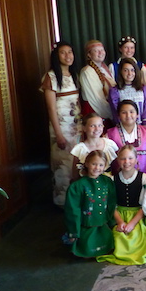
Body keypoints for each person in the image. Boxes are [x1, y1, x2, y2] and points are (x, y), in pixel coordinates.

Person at [96, 145, 146, 265]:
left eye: (130, 158)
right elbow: (110, 204)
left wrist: (132, 224)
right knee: (118, 236)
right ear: (118, 160)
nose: (126, 162)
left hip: (138, 215)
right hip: (118, 214)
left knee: (135, 237)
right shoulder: (112, 180)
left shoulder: (145, 179)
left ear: (136, 159)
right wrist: (120, 222)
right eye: (123, 159)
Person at [40, 40, 81, 206]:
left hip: (77, 127)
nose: (67, 56)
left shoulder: (74, 75)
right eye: (63, 53)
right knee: (62, 166)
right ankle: (61, 202)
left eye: (70, 52)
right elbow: (51, 108)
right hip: (61, 128)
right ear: (56, 56)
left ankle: (76, 202)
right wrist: (58, 134)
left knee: (75, 164)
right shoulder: (50, 77)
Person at [64, 150, 116, 258]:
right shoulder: (77, 186)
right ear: (87, 164)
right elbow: (73, 210)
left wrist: (112, 223)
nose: (97, 168)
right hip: (86, 226)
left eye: (101, 165)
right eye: (94, 164)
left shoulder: (107, 182)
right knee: (85, 247)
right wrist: (74, 232)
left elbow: (111, 203)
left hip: (103, 225)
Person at [106, 100, 146, 176]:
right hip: (119, 178)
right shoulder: (110, 135)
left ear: (137, 115)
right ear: (118, 116)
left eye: (131, 112)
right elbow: (106, 160)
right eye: (124, 112)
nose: (128, 115)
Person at [70, 113, 119, 179]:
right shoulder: (80, 149)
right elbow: (75, 174)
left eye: (100, 125)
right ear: (84, 128)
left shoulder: (110, 145)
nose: (97, 129)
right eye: (92, 126)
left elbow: (116, 168)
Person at [108, 57, 146, 127]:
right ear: (121, 72)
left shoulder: (143, 89)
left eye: (132, 70)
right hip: (123, 127)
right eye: (126, 70)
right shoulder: (114, 91)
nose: (129, 73)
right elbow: (116, 112)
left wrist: (145, 127)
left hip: (142, 127)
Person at [79, 40, 116, 120]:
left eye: (102, 50)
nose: (100, 53)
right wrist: (112, 113)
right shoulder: (87, 72)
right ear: (89, 54)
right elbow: (97, 99)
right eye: (96, 51)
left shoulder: (104, 69)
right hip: (96, 113)